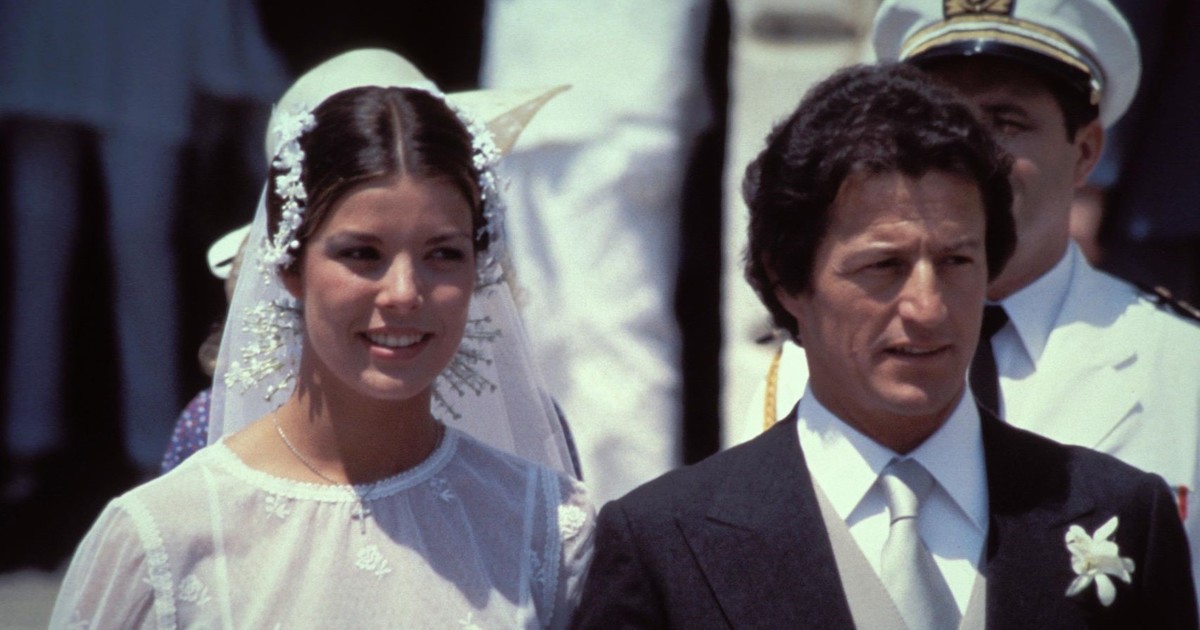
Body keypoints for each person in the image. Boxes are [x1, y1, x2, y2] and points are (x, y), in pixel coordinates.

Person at [572, 63, 1197, 628]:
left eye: (956, 261)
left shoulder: (1120, 513)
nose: (928, 308)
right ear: (789, 279)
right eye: (883, 267)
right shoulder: (664, 545)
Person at [50, 49, 593, 628]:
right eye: (362, 253)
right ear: (288, 266)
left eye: (443, 254)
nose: (404, 292)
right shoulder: (161, 539)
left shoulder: (545, 523)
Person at [753, 0, 1200, 596]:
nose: (974, 155)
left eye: (1006, 122)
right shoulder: (813, 360)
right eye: (942, 125)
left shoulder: (1182, 367)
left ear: (1086, 151)